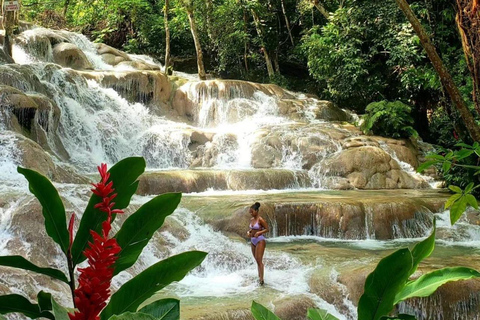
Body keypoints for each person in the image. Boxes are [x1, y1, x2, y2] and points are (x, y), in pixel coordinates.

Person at [246, 202, 268, 285]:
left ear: (256, 211)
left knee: (259, 260)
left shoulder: (261, 220)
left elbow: (267, 229)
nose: (250, 213)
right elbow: (251, 229)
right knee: (256, 260)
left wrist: (259, 233)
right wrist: (248, 232)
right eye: (250, 212)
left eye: (252, 211)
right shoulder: (252, 220)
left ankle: (262, 280)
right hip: (253, 241)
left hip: (260, 240)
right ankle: (259, 277)